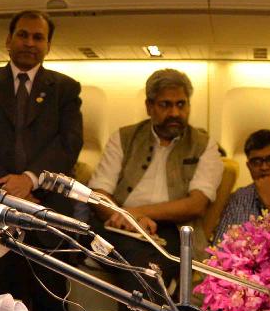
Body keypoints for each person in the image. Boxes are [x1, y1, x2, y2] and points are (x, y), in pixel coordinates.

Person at [0, 10, 82, 311]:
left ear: (48, 45)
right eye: (23, 35)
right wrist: (7, 189)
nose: (30, 42)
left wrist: (29, 180)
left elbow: (69, 144)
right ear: (8, 40)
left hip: (47, 207)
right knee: (2, 299)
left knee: (51, 300)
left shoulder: (65, 89)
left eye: (38, 37)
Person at [88, 68, 224, 291]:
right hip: (118, 224)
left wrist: (137, 213)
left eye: (181, 104)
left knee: (146, 267)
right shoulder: (124, 138)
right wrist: (126, 217)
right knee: (142, 264)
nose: (175, 112)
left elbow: (196, 204)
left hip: (172, 229)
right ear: (149, 106)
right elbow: (98, 193)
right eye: (165, 105)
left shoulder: (203, 145)